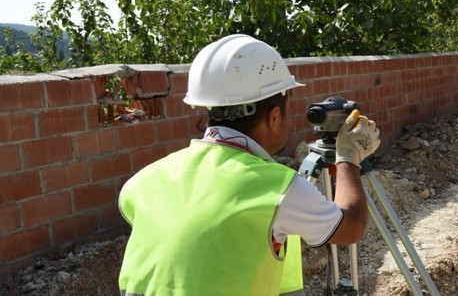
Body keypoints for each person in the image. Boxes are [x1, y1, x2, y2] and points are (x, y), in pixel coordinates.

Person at [118, 34, 381, 295]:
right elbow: (351, 227)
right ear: (274, 116)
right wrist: (348, 156)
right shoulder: (277, 189)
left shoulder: (143, 181)